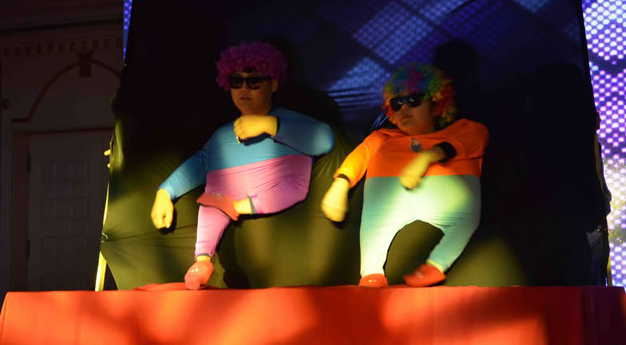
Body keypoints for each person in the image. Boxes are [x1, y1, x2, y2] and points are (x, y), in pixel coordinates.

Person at [151, 41, 335, 289]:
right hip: (224, 193)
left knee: (290, 188)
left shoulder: (291, 122)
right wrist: (165, 192)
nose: (244, 88)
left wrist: (269, 125)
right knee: (211, 201)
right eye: (236, 81)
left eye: (254, 81)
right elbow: (199, 163)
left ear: (273, 83)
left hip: (282, 193)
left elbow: (324, 140)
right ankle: (202, 260)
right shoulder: (222, 135)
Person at [321, 63, 488, 287]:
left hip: (450, 199)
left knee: (464, 221)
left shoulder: (465, 129)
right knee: (374, 228)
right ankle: (371, 272)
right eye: (397, 103)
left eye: (414, 99)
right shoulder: (382, 138)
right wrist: (340, 185)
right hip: (387, 199)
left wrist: (428, 157)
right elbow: (358, 157)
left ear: (437, 103)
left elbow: (475, 139)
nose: (404, 109)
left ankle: (436, 265)